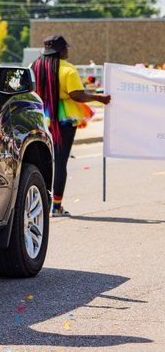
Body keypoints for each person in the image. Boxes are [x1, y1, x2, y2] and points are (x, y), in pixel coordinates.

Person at [32, 34, 110, 217]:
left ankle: (39, 205)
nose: (68, 50)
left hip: (40, 115)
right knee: (60, 162)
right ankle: (56, 207)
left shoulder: (35, 66)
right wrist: (99, 98)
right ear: (60, 51)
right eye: (66, 48)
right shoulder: (68, 69)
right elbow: (77, 95)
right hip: (64, 119)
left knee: (40, 161)